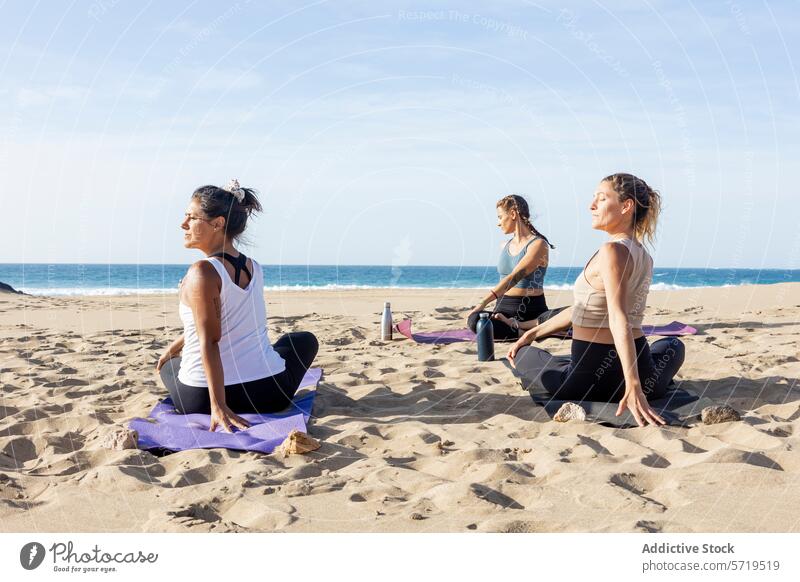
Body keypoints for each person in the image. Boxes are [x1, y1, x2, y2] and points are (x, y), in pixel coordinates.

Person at [507, 174, 685, 427]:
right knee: (672, 346)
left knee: (524, 355)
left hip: (587, 381)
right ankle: (636, 380)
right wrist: (534, 331)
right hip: (645, 375)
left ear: (626, 206)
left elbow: (617, 316)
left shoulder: (611, 251)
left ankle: (624, 381)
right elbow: (588, 306)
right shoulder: (643, 255)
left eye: (601, 199)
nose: (591, 206)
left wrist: (633, 386)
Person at [156, 179, 319, 433]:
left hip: (200, 400)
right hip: (269, 393)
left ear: (218, 223)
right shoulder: (254, 267)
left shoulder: (202, 272)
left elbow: (210, 341)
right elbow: (225, 320)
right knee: (304, 340)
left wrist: (218, 406)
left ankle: (219, 400)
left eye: (191, 217)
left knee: (168, 366)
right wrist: (177, 344)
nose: (183, 224)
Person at [467, 194, 555, 341]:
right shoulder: (504, 245)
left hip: (530, 311)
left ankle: (523, 329)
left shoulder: (538, 245)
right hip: (502, 310)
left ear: (513, 214)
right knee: (475, 320)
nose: (498, 223)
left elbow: (515, 276)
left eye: (500, 217)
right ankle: (519, 332)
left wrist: (483, 302)